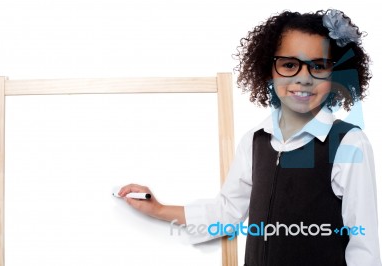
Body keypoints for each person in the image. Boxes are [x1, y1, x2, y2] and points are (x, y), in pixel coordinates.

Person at [118, 9, 381, 265]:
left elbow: (363, 247)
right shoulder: (255, 141)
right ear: (269, 71)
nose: (304, 78)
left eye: (319, 66)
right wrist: (159, 209)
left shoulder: (348, 143)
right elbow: (227, 212)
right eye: (289, 65)